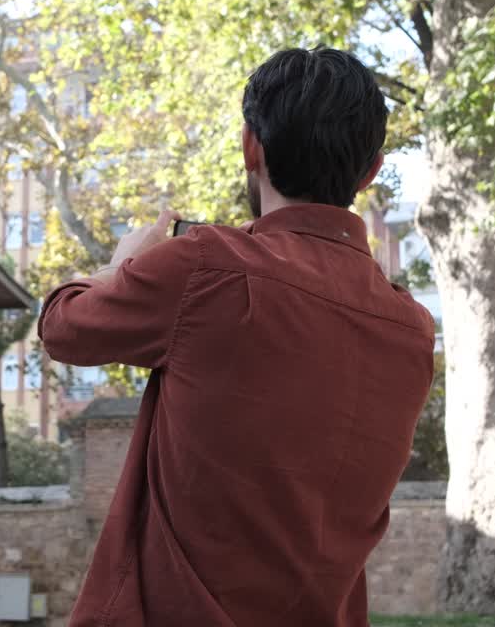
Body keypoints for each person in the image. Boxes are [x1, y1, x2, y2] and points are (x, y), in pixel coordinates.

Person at [39, 47, 436, 627]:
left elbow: (63, 328)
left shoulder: (206, 267)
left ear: (252, 145)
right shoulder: (412, 330)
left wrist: (116, 268)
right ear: (371, 170)